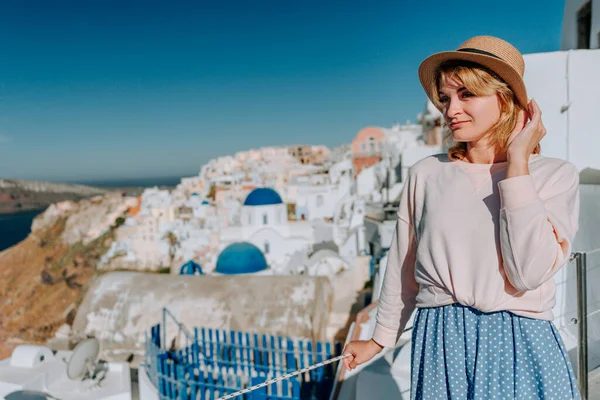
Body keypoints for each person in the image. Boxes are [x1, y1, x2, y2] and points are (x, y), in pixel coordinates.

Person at [342, 36, 581, 399]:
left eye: (466, 94)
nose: (450, 109)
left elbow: (528, 273)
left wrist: (517, 166)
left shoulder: (553, 175)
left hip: (520, 342)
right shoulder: (427, 174)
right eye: (445, 98)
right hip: (440, 341)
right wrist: (379, 340)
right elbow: (403, 266)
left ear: (506, 99)